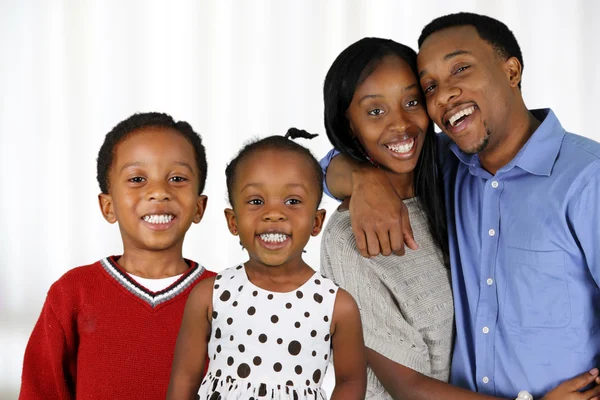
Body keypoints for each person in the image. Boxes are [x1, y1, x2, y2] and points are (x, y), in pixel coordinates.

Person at [321, 12, 600, 400]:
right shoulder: (448, 168)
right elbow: (320, 166)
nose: (445, 94)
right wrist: (359, 177)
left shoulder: (589, 179)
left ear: (512, 71)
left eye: (461, 69)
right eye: (431, 85)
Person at [19, 112, 216, 400]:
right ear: (108, 206)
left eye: (177, 178)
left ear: (199, 207)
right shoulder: (72, 294)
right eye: (137, 178)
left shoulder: (228, 297)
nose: (159, 192)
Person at [167, 130, 367, 400]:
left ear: (316, 222)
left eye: (293, 201)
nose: (274, 214)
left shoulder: (338, 306)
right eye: (256, 201)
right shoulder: (209, 296)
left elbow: (350, 381)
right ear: (233, 221)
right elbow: (184, 379)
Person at [318, 37, 454, 400]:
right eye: (375, 112)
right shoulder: (350, 237)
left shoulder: (453, 181)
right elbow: (408, 389)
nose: (401, 124)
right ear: (349, 126)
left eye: (411, 102)